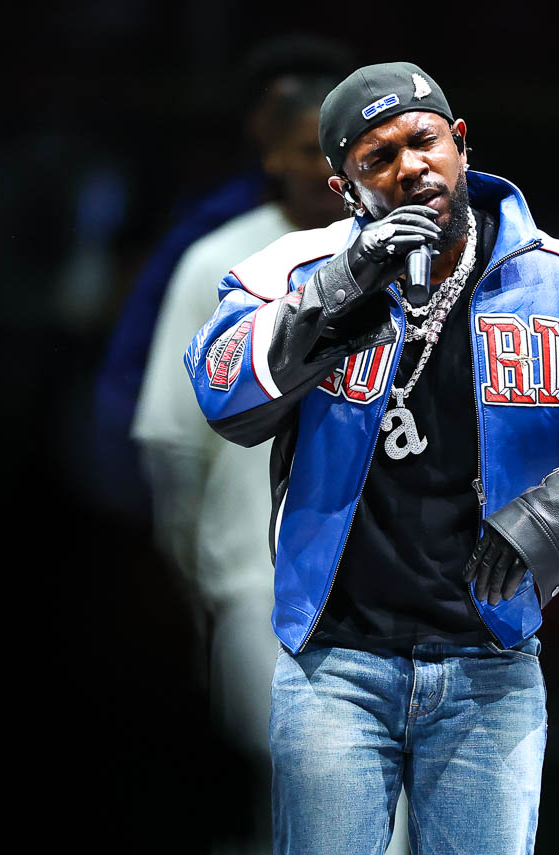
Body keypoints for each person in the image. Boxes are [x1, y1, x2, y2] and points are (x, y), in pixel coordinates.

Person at [184, 61, 559, 855]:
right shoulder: (290, 273)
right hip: (337, 663)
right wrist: (347, 280)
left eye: (423, 141)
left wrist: (547, 525)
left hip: (488, 666)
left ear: (460, 142)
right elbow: (223, 391)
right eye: (377, 158)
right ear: (343, 185)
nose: (410, 167)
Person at [130, 51, 414, 855]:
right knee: (275, 801)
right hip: (253, 581)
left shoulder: (420, 261)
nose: (309, 166)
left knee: (376, 791)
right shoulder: (220, 262)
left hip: (381, 578)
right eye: (296, 147)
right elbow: (172, 445)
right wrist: (181, 578)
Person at [92, 35, 356, 519]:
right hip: (239, 501)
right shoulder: (211, 238)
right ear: (260, 125)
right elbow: (152, 394)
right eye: (286, 104)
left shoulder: (406, 237)